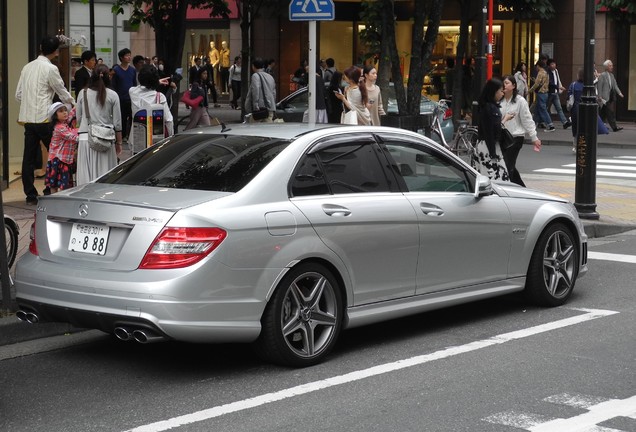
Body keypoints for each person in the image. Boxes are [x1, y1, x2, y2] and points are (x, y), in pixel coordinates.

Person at [15, 35, 75, 204]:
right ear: (56, 52)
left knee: (28, 157)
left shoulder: (27, 67)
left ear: (41, 48)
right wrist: (73, 103)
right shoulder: (51, 69)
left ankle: (30, 195)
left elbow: (18, 95)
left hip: (27, 118)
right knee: (55, 155)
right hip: (44, 118)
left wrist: (30, 102)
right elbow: (61, 90)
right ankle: (52, 187)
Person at [75, 64, 123, 185]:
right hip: (105, 139)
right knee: (105, 175)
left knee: (86, 174)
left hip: (85, 138)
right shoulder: (113, 95)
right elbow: (117, 123)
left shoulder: (83, 93)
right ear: (108, 77)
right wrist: (119, 143)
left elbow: (78, 118)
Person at [499, 75, 541, 187]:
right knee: (507, 164)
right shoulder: (500, 100)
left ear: (513, 85)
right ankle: (522, 188)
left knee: (508, 165)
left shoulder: (520, 101)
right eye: (503, 83)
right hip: (502, 137)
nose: (504, 85)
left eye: (507, 83)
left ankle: (508, 188)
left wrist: (534, 137)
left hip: (515, 137)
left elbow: (527, 119)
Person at [128, 64, 174, 152]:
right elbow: (169, 121)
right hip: (155, 139)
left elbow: (139, 87)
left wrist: (155, 81)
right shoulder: (160, 97)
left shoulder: (133, 93)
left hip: (137, 137)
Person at [475, 78, 510, 182]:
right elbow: (490, 131)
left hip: (485, 146)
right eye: (500, 91)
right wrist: (492, 153)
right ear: (493, 91)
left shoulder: (487, 106)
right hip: (489, 147)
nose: (502, 93)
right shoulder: (490, 108)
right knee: (495, 177)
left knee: (487, 175)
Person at [568, 68, 608, 153]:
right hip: (588, 109)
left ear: (578, 75)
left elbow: (569, 96)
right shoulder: (590, 86)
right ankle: (590, 145)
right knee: (589, 127)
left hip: (576, 108)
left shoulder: (573, 85)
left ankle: (576, 146)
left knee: (576, 127)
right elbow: (595, 97)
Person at [45, 102, 78, 193]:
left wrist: (77, 105)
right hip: (58, 160)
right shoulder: (60, 128)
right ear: (55, 115)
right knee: (61, 185)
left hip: (63, 159)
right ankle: (56, 201)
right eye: (61, 111)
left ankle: (56, 201)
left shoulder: (65, 124)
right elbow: (73, 138)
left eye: (65, 110)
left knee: (55, 183)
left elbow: (72, 113)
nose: (65, 113)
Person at [111, 48, 137, 141]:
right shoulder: (116, 70)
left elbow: (134, 84)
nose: (129, 57)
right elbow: (113, 85)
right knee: (121, 118)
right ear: (121, 58)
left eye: (129, 55)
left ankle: (129, 136)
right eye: (126, 55)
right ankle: (121, 136)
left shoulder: (132, 70)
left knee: (132, 117)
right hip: (120, 99)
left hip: (131, 98)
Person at [245, 57, 277, 123]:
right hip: (270, 108)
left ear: (253, 66)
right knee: (267, 131)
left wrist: (255, 105)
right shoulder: (270, 77)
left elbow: (255, 91)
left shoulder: (255, 76)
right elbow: (274, 93)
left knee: (254, 130)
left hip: (260, 109)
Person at [597, 59, 624, 132]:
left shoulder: (612, 75)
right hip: (603, 98)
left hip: (609, 98)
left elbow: (615, 85)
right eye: (610, 65)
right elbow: (599, 86)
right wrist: (599, 96)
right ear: (606, 67)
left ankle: (599, 127)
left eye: (612, 65)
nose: (612, 67)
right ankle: (614, 127)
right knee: (610, 112)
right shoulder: (602, 75)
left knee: (602, 114)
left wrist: (620, 93)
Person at [528, 60, 554, 132]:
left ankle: (550, 125)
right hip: (545, 93)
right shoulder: (546, 73)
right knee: (537, 109)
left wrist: (529, 91)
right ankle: (533, 124)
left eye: (536, 66)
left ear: (538, 66)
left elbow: (537, 84)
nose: (536, 67)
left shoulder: (540, 73)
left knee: (542, 109)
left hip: (541, 93)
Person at [545, 59, 570, 129]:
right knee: (546, 108)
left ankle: (565, 122)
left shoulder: (556, 71)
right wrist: (558, 87)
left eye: (554, 64)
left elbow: (558, 80)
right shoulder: (547, 72)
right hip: (549, 92)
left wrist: (560, 87)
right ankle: (545, 122)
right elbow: (550, 83)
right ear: (549, 65)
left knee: (559, 108)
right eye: (552, 64)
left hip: (555, 93)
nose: (554, 65)